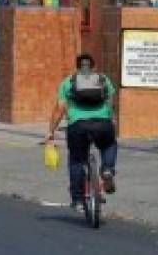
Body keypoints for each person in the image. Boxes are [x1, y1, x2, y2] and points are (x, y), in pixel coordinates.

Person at [46, 53, 118, 209]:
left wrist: (51, 131)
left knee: (77, 160)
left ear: (77, 67)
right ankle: (107, 169)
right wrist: (112, 120)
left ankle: (78, 199)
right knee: (109, 145)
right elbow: (111, 104)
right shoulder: (103, 80)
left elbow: (60, 109)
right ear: (93, 66)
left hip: (78, 126)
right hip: (102, 124)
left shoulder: (68, 83)